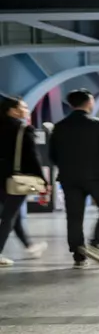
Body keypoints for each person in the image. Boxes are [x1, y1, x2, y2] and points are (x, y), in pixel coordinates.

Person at [50, 90, 99, 267]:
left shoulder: (59, 126)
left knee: (74, 216)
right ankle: (95, 243)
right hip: (95, 177)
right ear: (89, 102)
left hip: (69, 178)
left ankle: (78, 253)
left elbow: (52, 155)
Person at [0, 96, 47, 266]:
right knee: (9, 216)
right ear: (13, 110)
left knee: (14, 214)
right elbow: (33, 157)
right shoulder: (23, 129)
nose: (26, 110)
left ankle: (30, 245)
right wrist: (43, 180)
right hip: (15, 179)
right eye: (23, 107)